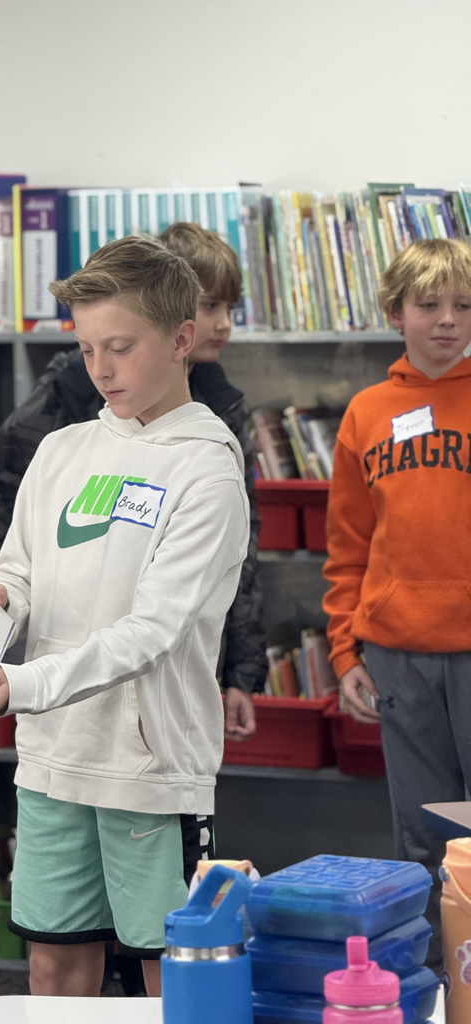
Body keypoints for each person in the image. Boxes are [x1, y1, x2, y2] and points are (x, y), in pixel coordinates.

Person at [0, 236, 251, 997]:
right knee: (55, 963)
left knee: (173, 972)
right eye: (88, 347)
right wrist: (4, 603)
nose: (100, 368)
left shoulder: (208, 467)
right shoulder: (62, 449)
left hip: (150, 772)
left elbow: (153, 632)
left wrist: (23, 683)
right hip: (53, 759)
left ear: (181, 339)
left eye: (120, 347)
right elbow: (22, 570)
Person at [0, 221, 265, 740]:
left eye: (225, 308)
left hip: (148, 721)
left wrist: (243, 669)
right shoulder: (68, 418)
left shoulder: (216, 431)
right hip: (53, 721)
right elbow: (13, 493)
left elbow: (234, 560)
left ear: (176, 339)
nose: (220, 323)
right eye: (208, 304)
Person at [323, 238, 471, 971]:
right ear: (395, 312)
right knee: (422, 834)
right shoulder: (367, 413)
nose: (448, 320)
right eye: (429, 305)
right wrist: (345, 649)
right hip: (398, 656)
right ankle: (441, 983)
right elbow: (348, 545)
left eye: (464, 305)